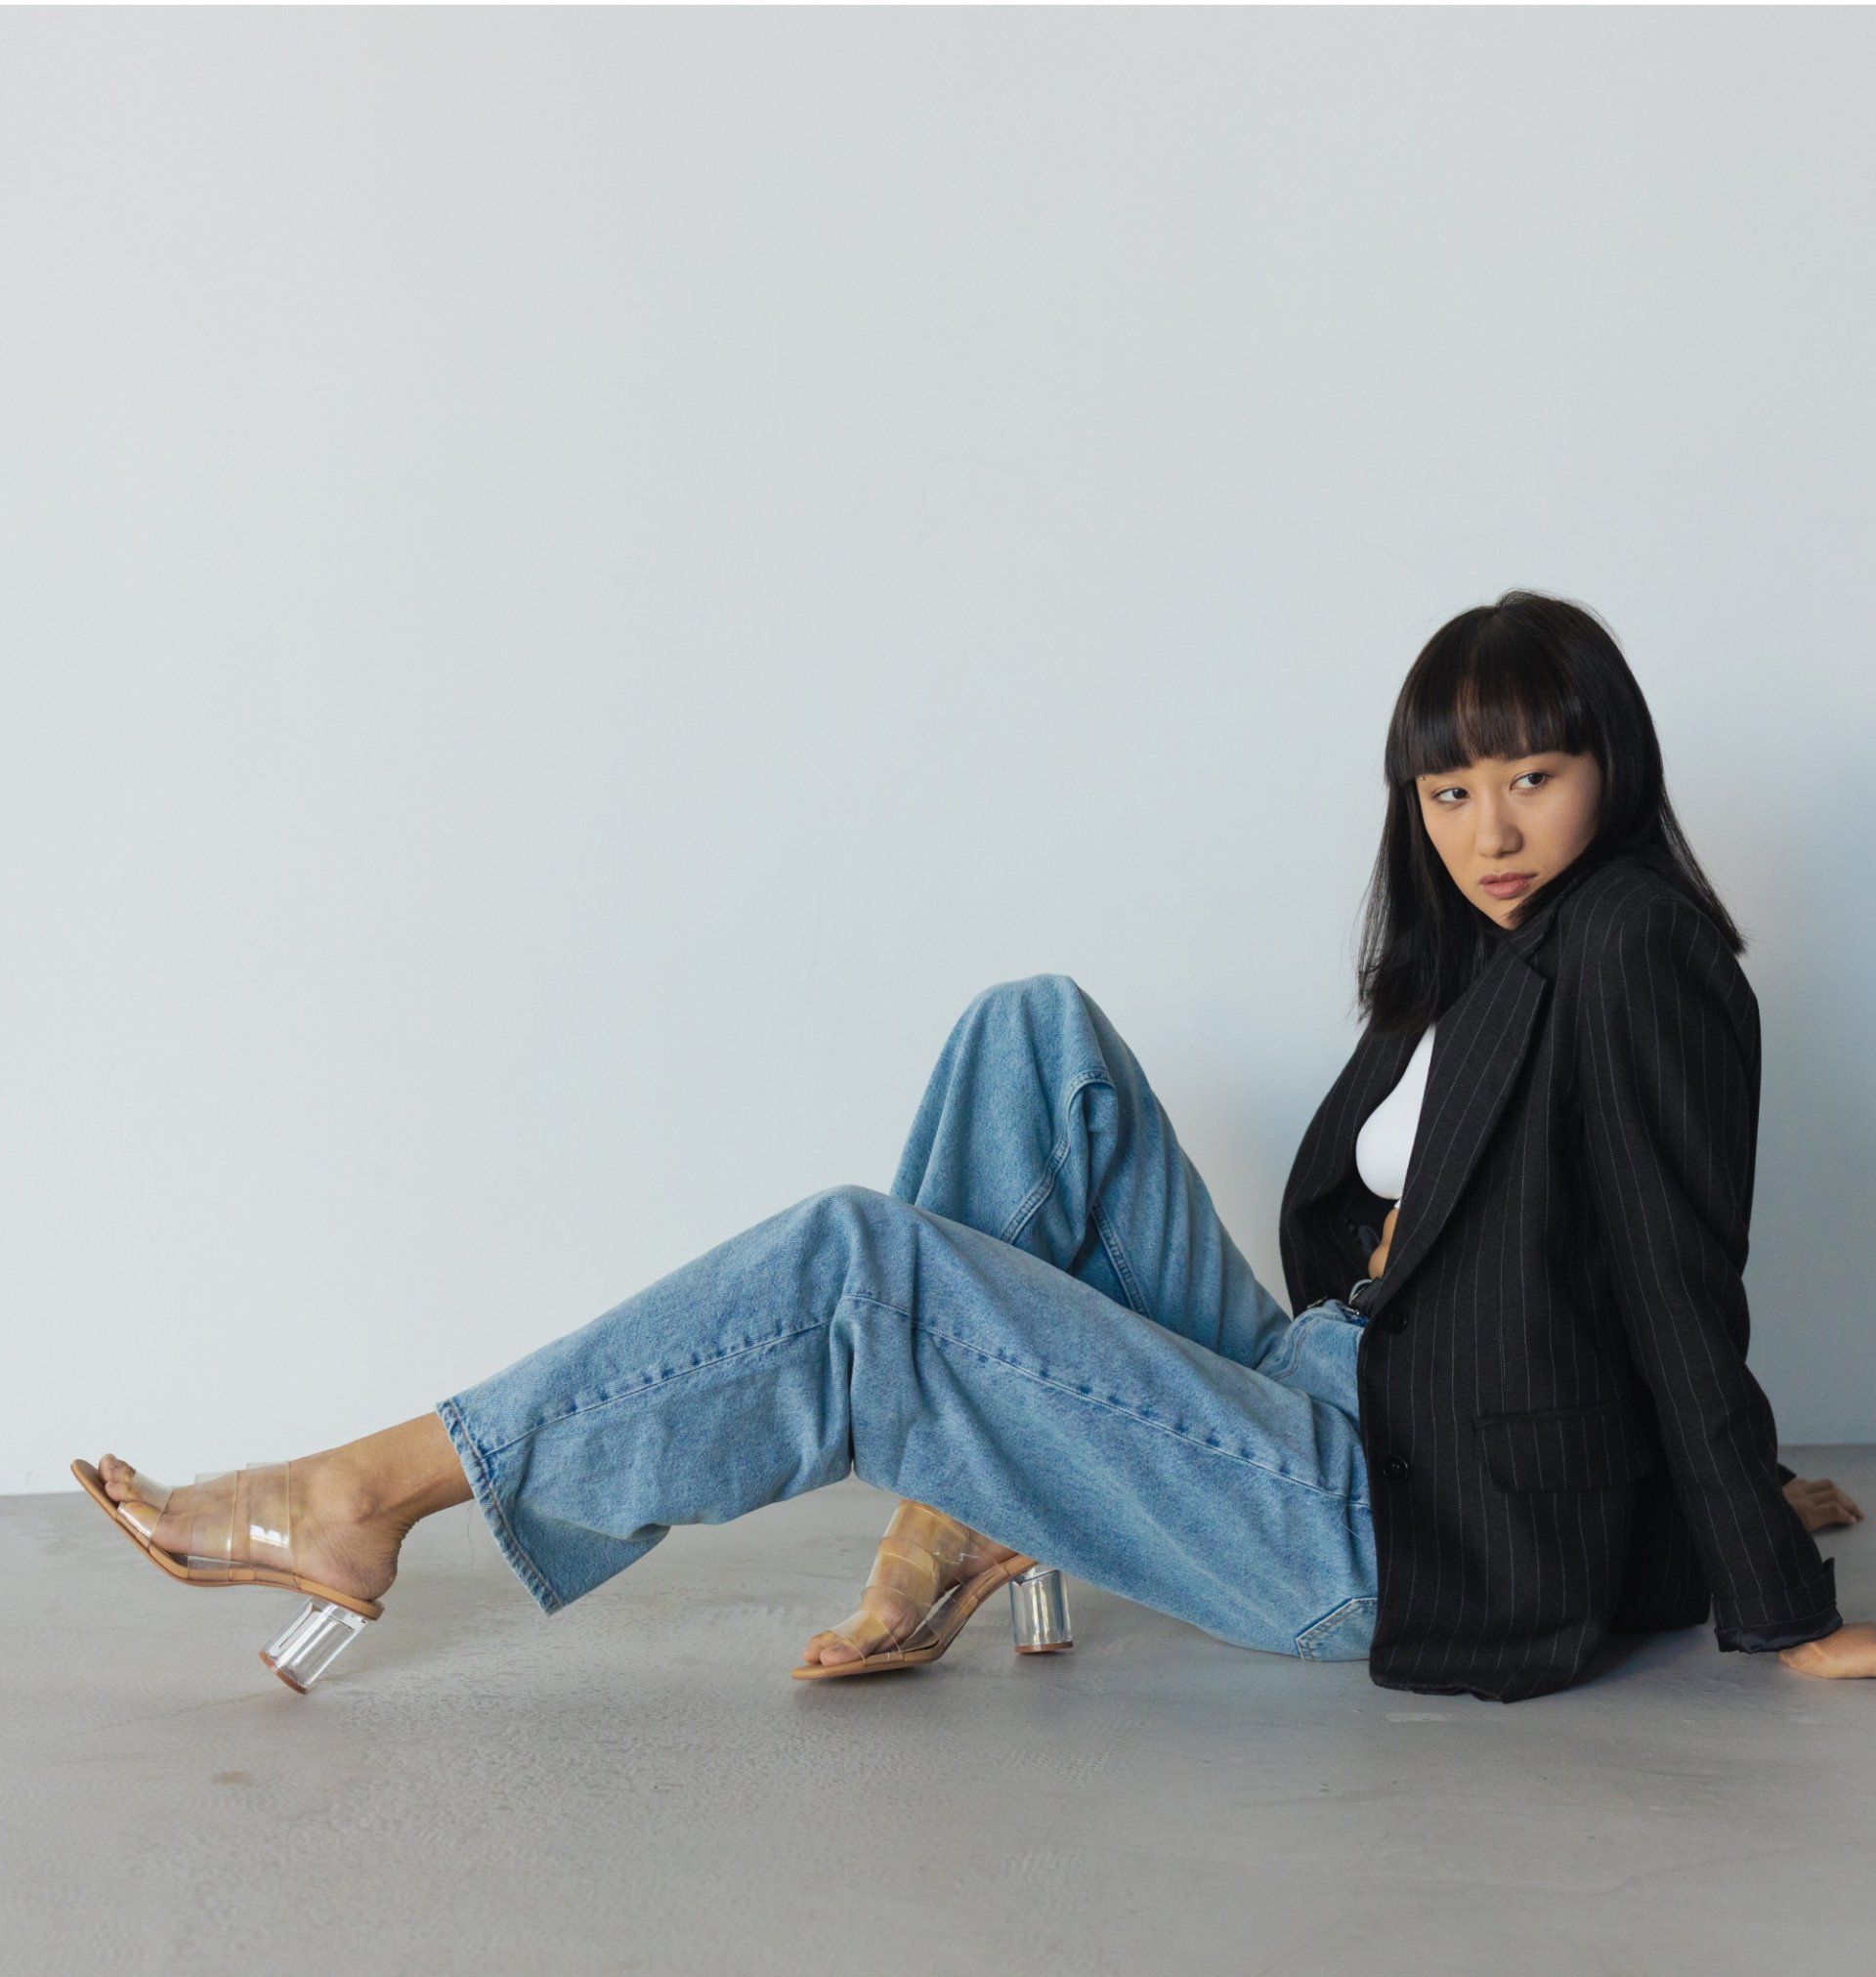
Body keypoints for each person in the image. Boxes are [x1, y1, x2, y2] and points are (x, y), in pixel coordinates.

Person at [73, 590, 1870, 1700]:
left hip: (1382, 1519)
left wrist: (1765, 1593)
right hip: (1339, 1387)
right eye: (1451, 790)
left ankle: (367, 1497)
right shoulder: (1481, 960)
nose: (1492, 830)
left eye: (1533, 778)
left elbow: (1669, 1270)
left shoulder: (1635, 949)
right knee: (1038, 1036)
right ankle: (964, 1501)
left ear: (1611, 766)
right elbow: (1521, 1272)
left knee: (863, 1266)